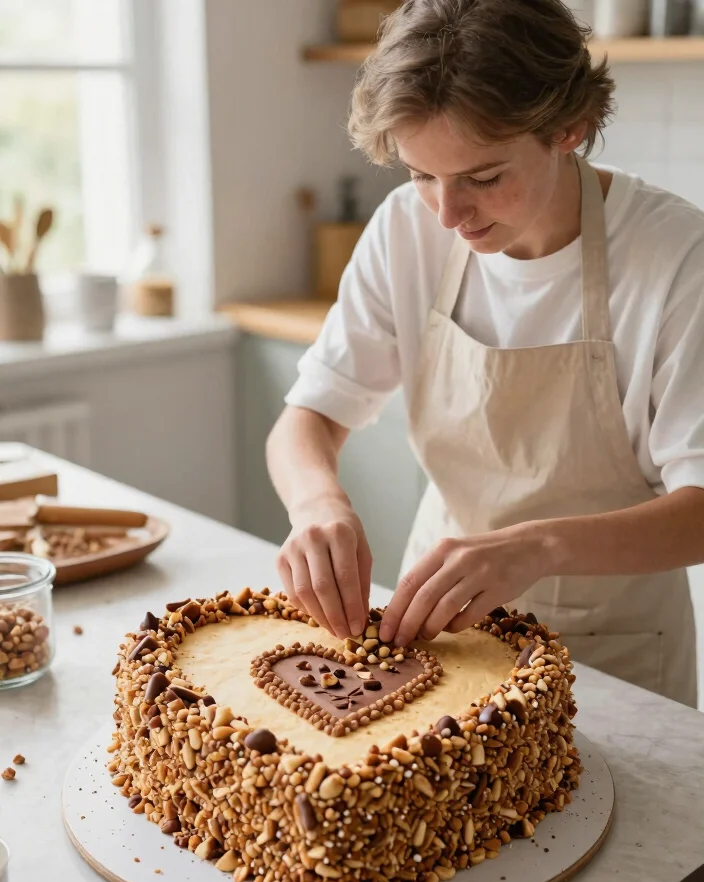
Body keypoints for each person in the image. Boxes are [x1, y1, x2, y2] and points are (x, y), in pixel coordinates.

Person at [266, 0, 704, 707]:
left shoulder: (678, 259)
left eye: (484, 177)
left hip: (613, 652)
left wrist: (539, 548)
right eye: (421, 175)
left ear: (569, 128)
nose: (448, 214)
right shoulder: (405, 231)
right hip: (437, 636)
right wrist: (317, 503)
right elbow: (308, 417)